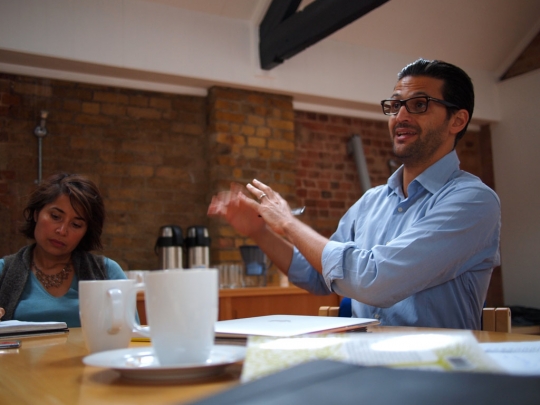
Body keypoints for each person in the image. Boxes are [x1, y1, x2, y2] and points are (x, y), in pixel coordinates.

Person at [208, 59, 501, 330]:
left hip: (440, 371)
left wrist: (287, 222)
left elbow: (377, 280)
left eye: (419, 105)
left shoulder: (473, 201)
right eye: (395, 105)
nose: (400, 116)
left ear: (457, 121)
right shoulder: (371, 202)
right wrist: (260, 232)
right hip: (364, 363)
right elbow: (317, 275)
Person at [0, 173, 128, 327]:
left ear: (86, 232)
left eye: (76, 225)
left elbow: (133, 338)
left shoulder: (107, 272)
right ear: (36, 214)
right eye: (55, 216)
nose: (62, 230)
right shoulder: (4, 271)